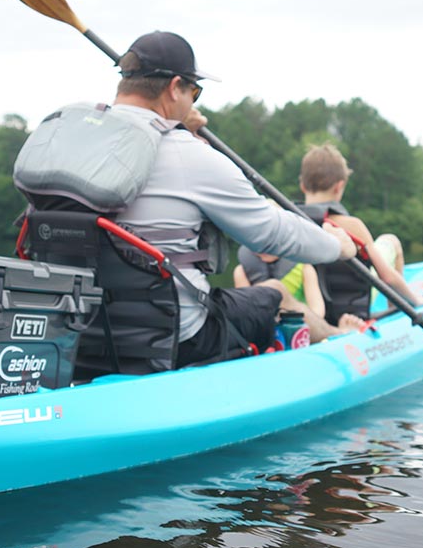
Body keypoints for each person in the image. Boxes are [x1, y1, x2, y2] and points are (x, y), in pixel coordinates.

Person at [107, 31, 357, 367]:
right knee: (275, 294)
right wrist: (335, 246)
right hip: (178, 334)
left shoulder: (77, 143)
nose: (193, 102)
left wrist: (180, 126)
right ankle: (337, 339)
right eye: (194, 92)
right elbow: (269, 231)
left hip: (87, 323)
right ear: (174, 87)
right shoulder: (189, 155)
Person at [297, 142, 423, 324]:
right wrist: (416, 300)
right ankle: (395, 308)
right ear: (339, 187)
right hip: (351, 314)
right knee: (391, 241)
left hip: (315, 314)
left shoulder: (289, 221)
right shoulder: (352, 226)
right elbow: (386, 276)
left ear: (302, 186)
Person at [234, 248, 365, 344]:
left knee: (274, 290)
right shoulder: (242, 271)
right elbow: (248, 314)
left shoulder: (304, 267)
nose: (262, 246)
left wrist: (294, 323)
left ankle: (335, 333)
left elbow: (318, 311)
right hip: (267, 329)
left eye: (267, 238)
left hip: (303, 327)